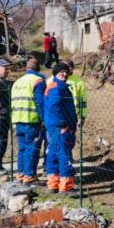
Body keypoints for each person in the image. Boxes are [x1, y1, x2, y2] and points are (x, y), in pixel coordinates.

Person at [44, 62, 79, 195]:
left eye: (65, 71)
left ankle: (53, 184)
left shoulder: (53, 86)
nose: (64, 74)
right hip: (61, 127)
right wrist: (63, 124)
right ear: (55, 74)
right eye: (61, 72)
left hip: (53, 126)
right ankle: (66, 187)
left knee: (53, 154)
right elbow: (54, 107)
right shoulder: (58, 88)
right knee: (64, 155)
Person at [11, 57, 46, 185]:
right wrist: (44, 120)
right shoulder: (38, 81)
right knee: (32, 148)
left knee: (22, 148)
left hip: (18, 119)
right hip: (32, 120)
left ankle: (20, 174)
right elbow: (40, 102)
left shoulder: (17, 82)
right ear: (38, 68)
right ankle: (30, 176)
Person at [63, 59, 88, 128]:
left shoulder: (79, 83)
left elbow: (83, 102)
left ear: (72, 69)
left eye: (68, 68)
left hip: (72, 115)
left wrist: (82, 117)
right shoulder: (52, 80)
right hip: (56, 115)